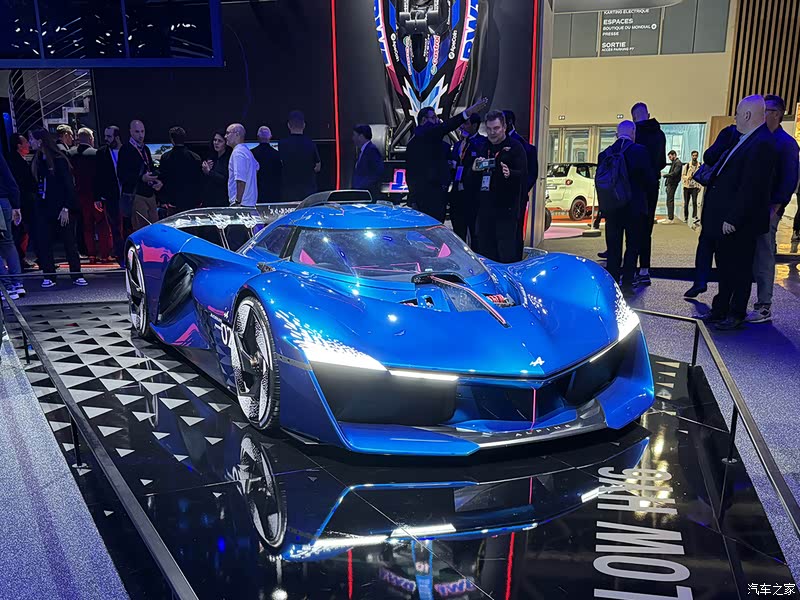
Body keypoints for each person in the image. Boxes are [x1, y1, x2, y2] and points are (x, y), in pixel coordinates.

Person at [700, 95, 777, 330]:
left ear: (747, 115)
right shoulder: (745, 139)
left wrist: (734, 217)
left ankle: (735, 312)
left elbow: (752, 186)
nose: (734, 118)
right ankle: (721, 308)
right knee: (726, 267)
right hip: (726, 219)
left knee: (739, 269)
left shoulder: (762, 143)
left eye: (737, 114)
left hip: (738, 222)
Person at [747, 94, 800, 324]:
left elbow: (789, 181)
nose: (761, 115)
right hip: (753, 207)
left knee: (764, 254)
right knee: (752, 255)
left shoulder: (786, 144)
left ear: (776, 114)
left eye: (765, 111)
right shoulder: (759, 138)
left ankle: (764, 305)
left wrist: (774, 211)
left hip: (769, 210)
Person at [406, 98, 488, 222]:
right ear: (423, 120)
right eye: (433, 117)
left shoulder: (415, 140)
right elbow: (446, 126)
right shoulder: (425, 134)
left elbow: (410, 173)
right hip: (430, 195)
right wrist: (468, 112)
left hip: (428, 193)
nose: (437, 120)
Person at [596, 121, 653, 295]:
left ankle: (613, 283)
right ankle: (628, 283)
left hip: (613, 208)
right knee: (632, 246)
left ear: (617, 134)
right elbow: (650, 181)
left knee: (613, 247)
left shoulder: (605, 154)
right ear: (633, 133)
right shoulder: (640, 152)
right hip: (634, 208)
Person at [684, 124, 741, 298]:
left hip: (720, 207)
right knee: (714, 248)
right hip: (723, 207)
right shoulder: (743, 140)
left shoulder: (730, 133)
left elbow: (709, 156)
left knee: (711, 248)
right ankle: (715, 290)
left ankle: (706, 286)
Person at [29, 128, 87, 288]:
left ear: (40, 141)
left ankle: (76, 274)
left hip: (61, 207)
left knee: (69, 242)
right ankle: (49, 275)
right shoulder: (37, 160)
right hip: (43, 208)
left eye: (32, 139)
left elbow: (68, 186)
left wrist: (66, 207)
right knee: (44, 243)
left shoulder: (58, 159)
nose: (30, 142)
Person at [473, 110, 527, 263]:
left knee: (506, 253)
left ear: (504, 127)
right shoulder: (482, 146)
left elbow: (524, 175)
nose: (492, 132)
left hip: (506, 211)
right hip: (485, 210)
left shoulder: (515, 147)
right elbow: (472, 177)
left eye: (496, 128)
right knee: (485, 252)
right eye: (489, 129)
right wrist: (474, 168)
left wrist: (510, 174)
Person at [631, 102, 666, 287]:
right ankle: (644, 270)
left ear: (634, 117)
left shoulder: (635, 134)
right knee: (647, 229)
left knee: (632, 228)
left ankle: (630, 270)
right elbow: (662, 162)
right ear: (648, 114)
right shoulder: (659, 134)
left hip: (635, 187)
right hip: (652, 186)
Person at [69, 128, 112, 263]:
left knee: (87, 226)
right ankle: (105, 255)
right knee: (102, 225)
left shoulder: (70, 153)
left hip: (79, 196)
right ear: (90, 138)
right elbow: (101, 177)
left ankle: (91, 255)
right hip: (95, 196)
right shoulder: (96, 153)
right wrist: (100, 196)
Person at [448, 113, 487, 244]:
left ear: (475, 125)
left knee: (475, 232)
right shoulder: (458, 144)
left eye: (466, 124)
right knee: (458, 230)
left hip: (473, 193)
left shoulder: (482, 143)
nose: (462, 127)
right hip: (457, 192)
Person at [118, 120, 162, 232]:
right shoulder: (125, 149)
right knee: (142, 229)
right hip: (136, 194)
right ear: (131, 132)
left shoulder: (145, 149)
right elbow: (122, 175)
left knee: (154, 227)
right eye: (137, 132)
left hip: (150, 193)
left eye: (142, 131)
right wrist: (141, 178)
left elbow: (150, 168)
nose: (141, 135)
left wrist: (157, 181)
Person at [95, 125, 124, 266]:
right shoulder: (101, 153)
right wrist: (98, 197)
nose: (106, 139)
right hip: (111, 195)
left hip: (128, 194)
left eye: (109, 136)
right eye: (105, 136)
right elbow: (97, 175)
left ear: (117, 137)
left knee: (129, 226)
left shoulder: (126, 151)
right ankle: (120, 256)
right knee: (115, 226)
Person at [8, 132, 38, 270]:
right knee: (21, 231)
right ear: (19, 146)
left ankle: (21, 258)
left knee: (23, 231)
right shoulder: (15, 162)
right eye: (25, 142)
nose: (28, 144)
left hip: (23, 201)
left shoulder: (19, 160)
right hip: (22, 202)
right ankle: (19, 259)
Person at [158, 126, 202, 214]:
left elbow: (163, 179)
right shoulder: (195, 157)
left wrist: (163, 200)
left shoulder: (165, 157)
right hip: (191, 201)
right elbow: (199, 181)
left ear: (172, 140)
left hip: (173, 202)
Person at [280, 111, 321, 202]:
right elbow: (318, 167)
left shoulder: (282, 144)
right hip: (308, 192)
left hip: (289, 190)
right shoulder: (310, 143)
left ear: (289, 125)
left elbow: (280, 163)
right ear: (304, 125)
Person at [0, 146, 24, 299]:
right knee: (8, 243)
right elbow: (9, 178)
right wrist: (16, 205)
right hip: (4, 201)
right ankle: (17, 283)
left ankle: (6, 287)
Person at [225, 123, 259, 207]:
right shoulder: (247, 151)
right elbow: (257, 167)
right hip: (249, 202)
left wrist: (237, 202)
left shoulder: (238, 153)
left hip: (241, 204)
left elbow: (240, 180)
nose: (225, 136)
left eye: (228, 133)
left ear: (237, 134)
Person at [351, 124, 384, 200]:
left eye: (354, 135)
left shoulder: (371, 150)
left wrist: (363, 185)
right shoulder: (363, 151)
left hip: (367, 193)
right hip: (360, 193)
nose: (353, 138)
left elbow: (378, 171)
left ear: (361, 136)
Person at [251, 126, 282, 203]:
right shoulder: (277, 154)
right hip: (273, 191)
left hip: (256, 190)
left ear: (258, 137)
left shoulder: (251, 153)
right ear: (270, 137)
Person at [201, 130, 232, 208]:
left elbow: (225, 179)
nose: (216, 143)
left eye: (219, 141)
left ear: (225, 143)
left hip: (222, 199)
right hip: (209, 199)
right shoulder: (211, 157)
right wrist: (205, 171)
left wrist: (209, 172)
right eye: (215, 140)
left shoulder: (229, 159)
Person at [660, 150, 682, 224]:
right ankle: (670, 217)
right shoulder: (674, 162)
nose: (669, 158)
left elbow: (675, 173)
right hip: (670, 183)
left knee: (670, 201)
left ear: (674, 155)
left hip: (673, 183)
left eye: (670, 157)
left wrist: (665, 175)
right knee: (669, 200)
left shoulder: (678, 163)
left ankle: (670, 218)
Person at [681, 150, 702, 228]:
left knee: (694, 202)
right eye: (693, 155)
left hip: (695, 187)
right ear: (691, 156)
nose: (694, 157)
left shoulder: (699, 166)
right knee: (686, 202)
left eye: (696, 155)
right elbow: (683, 175)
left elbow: (700, 176)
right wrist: (687, 177)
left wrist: (699, 186)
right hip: (687, 186)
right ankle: (686, 217)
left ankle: (694, 217)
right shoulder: (687, 165)